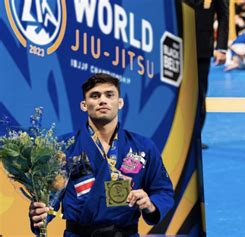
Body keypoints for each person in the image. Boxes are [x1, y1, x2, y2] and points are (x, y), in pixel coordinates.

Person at [29, 73, 175, 236]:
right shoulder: (64, 147)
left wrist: (150, 205)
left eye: (109, 95)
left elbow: (163, 190)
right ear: (84, 105)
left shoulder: (143, 147)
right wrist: (39, 213)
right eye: (95, 96)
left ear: (120, 103)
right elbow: (48, 198)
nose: (102, 100)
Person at [195, 0, 229, 149]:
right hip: (174, 45)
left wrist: (221, 48)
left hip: (202, 48)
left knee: (199, 94)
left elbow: (223, 16)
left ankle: (195, 137)